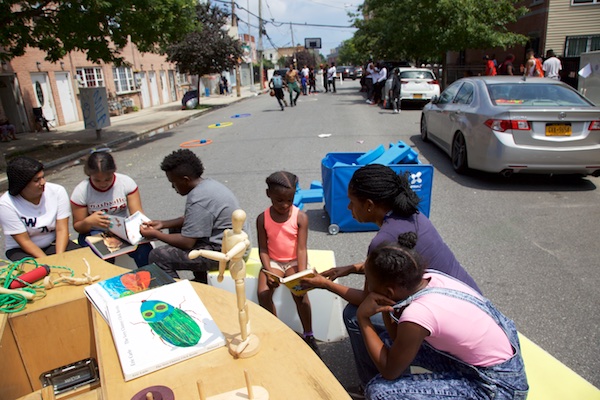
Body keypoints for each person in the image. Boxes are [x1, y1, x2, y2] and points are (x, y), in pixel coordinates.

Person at [301, 164, 481, 390]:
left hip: (454, 321)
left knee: (355, 315)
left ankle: (376, 383)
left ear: (368, 205)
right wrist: (350, 268)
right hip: (471, 303)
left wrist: (325, 284)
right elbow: (397, 263)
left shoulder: (383, 239)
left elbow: (368, 301)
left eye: (352, 202)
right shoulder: (412, 216)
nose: (348, 207)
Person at [358, 233, 528, 399]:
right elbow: (396, 338)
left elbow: (389, 371)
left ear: (389, 291)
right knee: (386, 343)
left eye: (370, 284)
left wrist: (363, 319)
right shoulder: (430, 278)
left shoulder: (417, 314)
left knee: (379, 391)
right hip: (493, 366)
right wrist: (388, 308)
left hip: (497, 388)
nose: (369, 289)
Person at [140, 149, 243, 284]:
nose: (172, 186)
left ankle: (179, 294)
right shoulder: (208, 185)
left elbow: (187, 242)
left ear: (185, 180)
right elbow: (192, 219)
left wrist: (156, 234)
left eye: (173, 182)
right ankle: (202, 280)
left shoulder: (198, 198)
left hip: (226, 254)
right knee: (176, 229)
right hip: (229, 244)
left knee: (158, 256)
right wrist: (163, 224)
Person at [256, 171, 320, 356]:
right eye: (279, 200)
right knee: (263, 293)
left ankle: (309, 334)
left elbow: (301, 249)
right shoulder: (262, 218)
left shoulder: (300, 218)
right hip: (273, 262)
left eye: (289, 200)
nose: (284, 205)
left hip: (293, 262)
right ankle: (277, 331)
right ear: (268, 194)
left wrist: (301, 274)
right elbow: (263, 249)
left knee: (300, 294)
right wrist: (269, 272)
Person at [70, 151, 152, 267]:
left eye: (108, 179)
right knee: (100, 256)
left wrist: (141, 227)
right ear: (89, 175)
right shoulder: (81, 191)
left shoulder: (125, 183)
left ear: (114, 172)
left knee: (144, 251)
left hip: (123, 230)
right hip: (94, 232)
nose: (103, 184)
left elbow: (137, 215)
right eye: (97, 180)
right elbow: (78, 226)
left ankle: (150, 277)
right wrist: (89, 221)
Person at [0, 156, 80, 261]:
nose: (43, 182)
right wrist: (49, 263)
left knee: (81, 259)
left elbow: (62, 229)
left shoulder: (57, 191)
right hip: (21, 249)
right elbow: (24, 241)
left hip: (53, 243)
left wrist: (59, 258)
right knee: (38, 271)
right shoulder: (6, 204)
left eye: (43, 177)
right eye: (36, 180)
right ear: (22, 185)